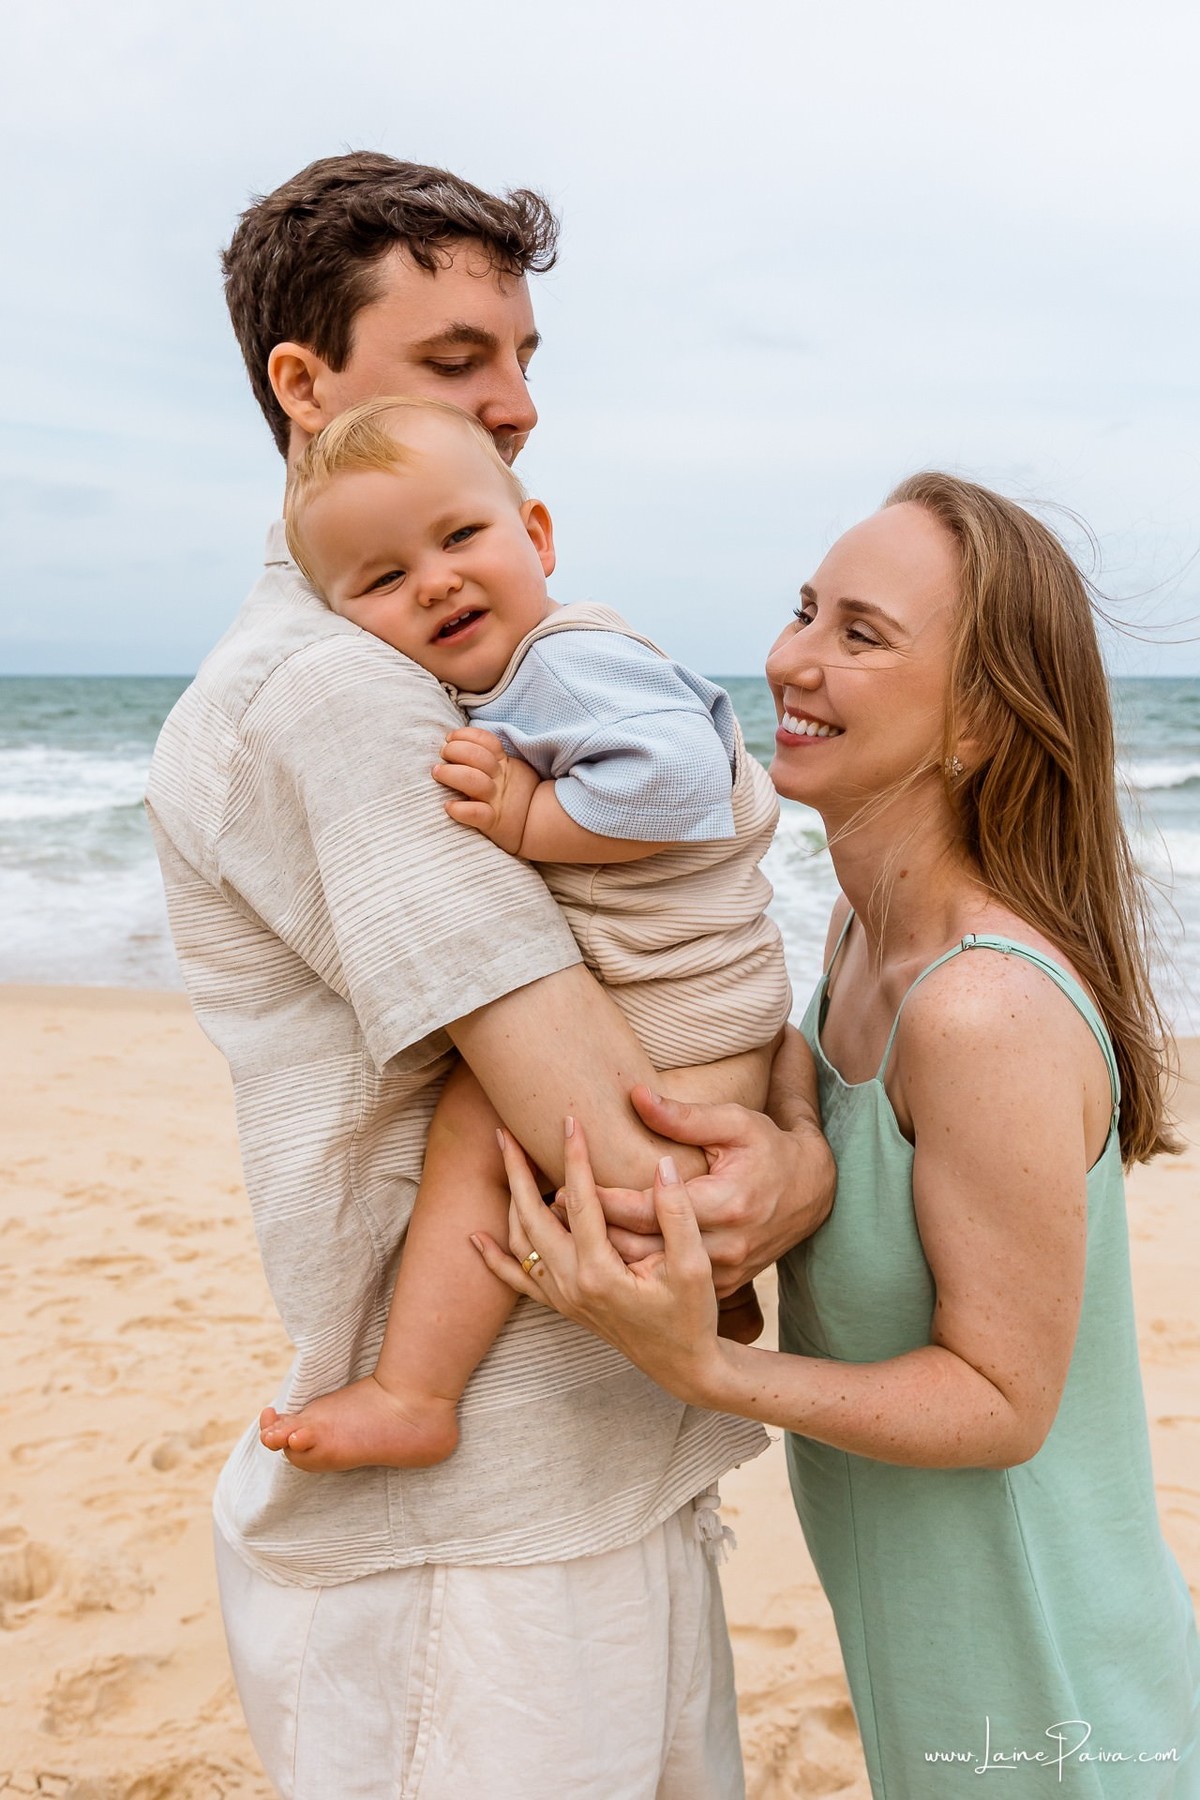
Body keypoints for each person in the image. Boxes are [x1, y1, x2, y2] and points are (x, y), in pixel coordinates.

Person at [146, 152, 834, 1798]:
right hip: (476, 1553)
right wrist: (788, 1180)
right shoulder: (335, 700)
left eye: (524, 360)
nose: (517, 403)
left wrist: (794, 1158)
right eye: (458, 362)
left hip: (588, 1478)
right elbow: (616, 1125)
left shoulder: (472, 667)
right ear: (303, 389)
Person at [481, 474, 1200, 1796]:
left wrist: (699, 1367)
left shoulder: (983, 1009)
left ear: (981, 717)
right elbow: (808, 1110)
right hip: (938, 1692)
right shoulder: (858, 934)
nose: (791, 658)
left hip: (1056, 1714)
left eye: (863, 634)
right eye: (806, 610)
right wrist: (795, 1158)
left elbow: (1001, 1404)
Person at [256, 394, 789, 1473]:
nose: (437, 580)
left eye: (460, 537)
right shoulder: (499, 682)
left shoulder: (566, 659)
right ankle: (720, 1296)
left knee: (477, 1124)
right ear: (345, 625)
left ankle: (417, 1390)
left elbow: (679, 777)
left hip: (685, 996)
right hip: (701, 1006)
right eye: (385, 578)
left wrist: (525, 820)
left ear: (535, 537)